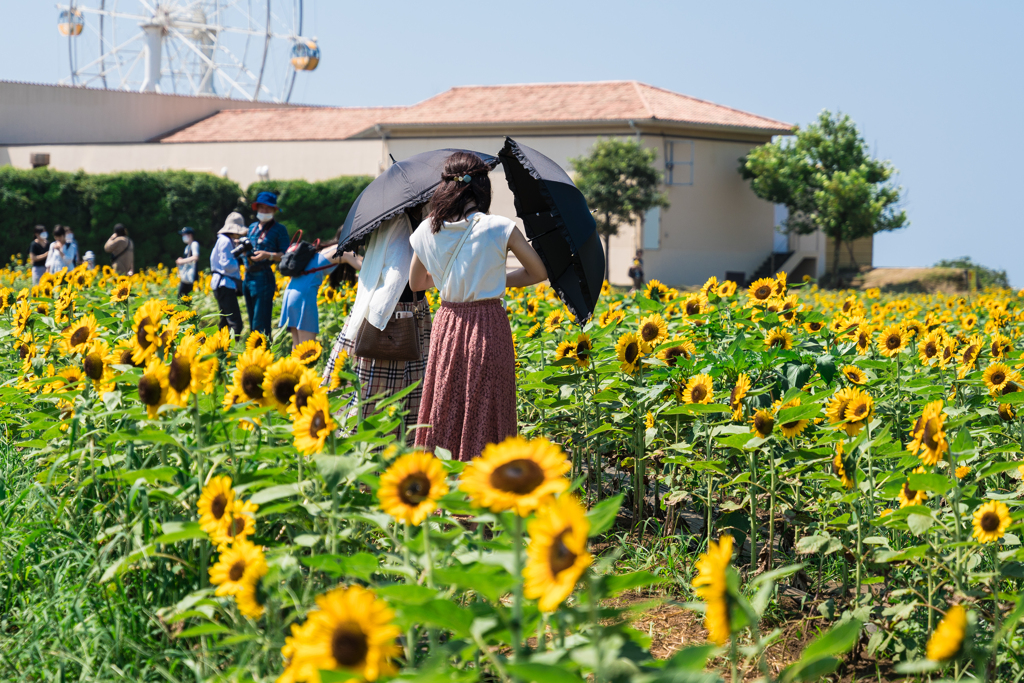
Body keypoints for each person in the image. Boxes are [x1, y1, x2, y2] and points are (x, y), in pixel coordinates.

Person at [409, 152, 548, 461]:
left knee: (444, 405)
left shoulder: (425, 230)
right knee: (488, 406)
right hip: (488, 325)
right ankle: (485, 494)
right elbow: (538, 272)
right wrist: (491, 279)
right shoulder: (500, 227)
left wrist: (453, 278)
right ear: (482, 187)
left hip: (447, 324)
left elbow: (417, 283)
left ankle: (444, 490)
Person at [322, 212, 426, 442]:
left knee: (355, 388)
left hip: (368, 307)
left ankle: (346, 445)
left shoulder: (383, 219)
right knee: (389, 395)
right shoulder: (404, 223)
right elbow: (398, 276)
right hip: (395, 313)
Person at [279, 241, 361, 347]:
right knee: (307, 349)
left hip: (291, 292)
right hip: (304, 296)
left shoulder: (323, 250)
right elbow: (365, 268)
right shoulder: (344, 251)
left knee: (297, 346)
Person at [243, 192, 290, 337]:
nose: (264, 211)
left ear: (274, 210)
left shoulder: (279, 229)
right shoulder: (252, 227)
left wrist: (267, 255)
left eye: (268, 208)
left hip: (263, 276)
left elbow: (286, 254)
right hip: (248, 275)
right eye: (261, 208)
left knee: (260, 322)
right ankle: (254, 355)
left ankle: (264, 354)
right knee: (252, 321)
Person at [210, 212, 247, 336]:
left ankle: (220, 349)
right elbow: (227, 265)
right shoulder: (226, 241)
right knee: (235, 323)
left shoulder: (223, 240)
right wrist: (239, 261)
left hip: (220, 284)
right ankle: (230, 350)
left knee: (225, 321)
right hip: (225, 285)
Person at [176, 227, 200, 298]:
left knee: (185, 298)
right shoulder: (187, 247)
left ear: (190, 235)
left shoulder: (194, 244)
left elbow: (195, 257)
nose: (183, 237)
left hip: (191, 277)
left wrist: (182, 261)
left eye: (184, 235)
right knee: (181, 297)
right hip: (186, 277)